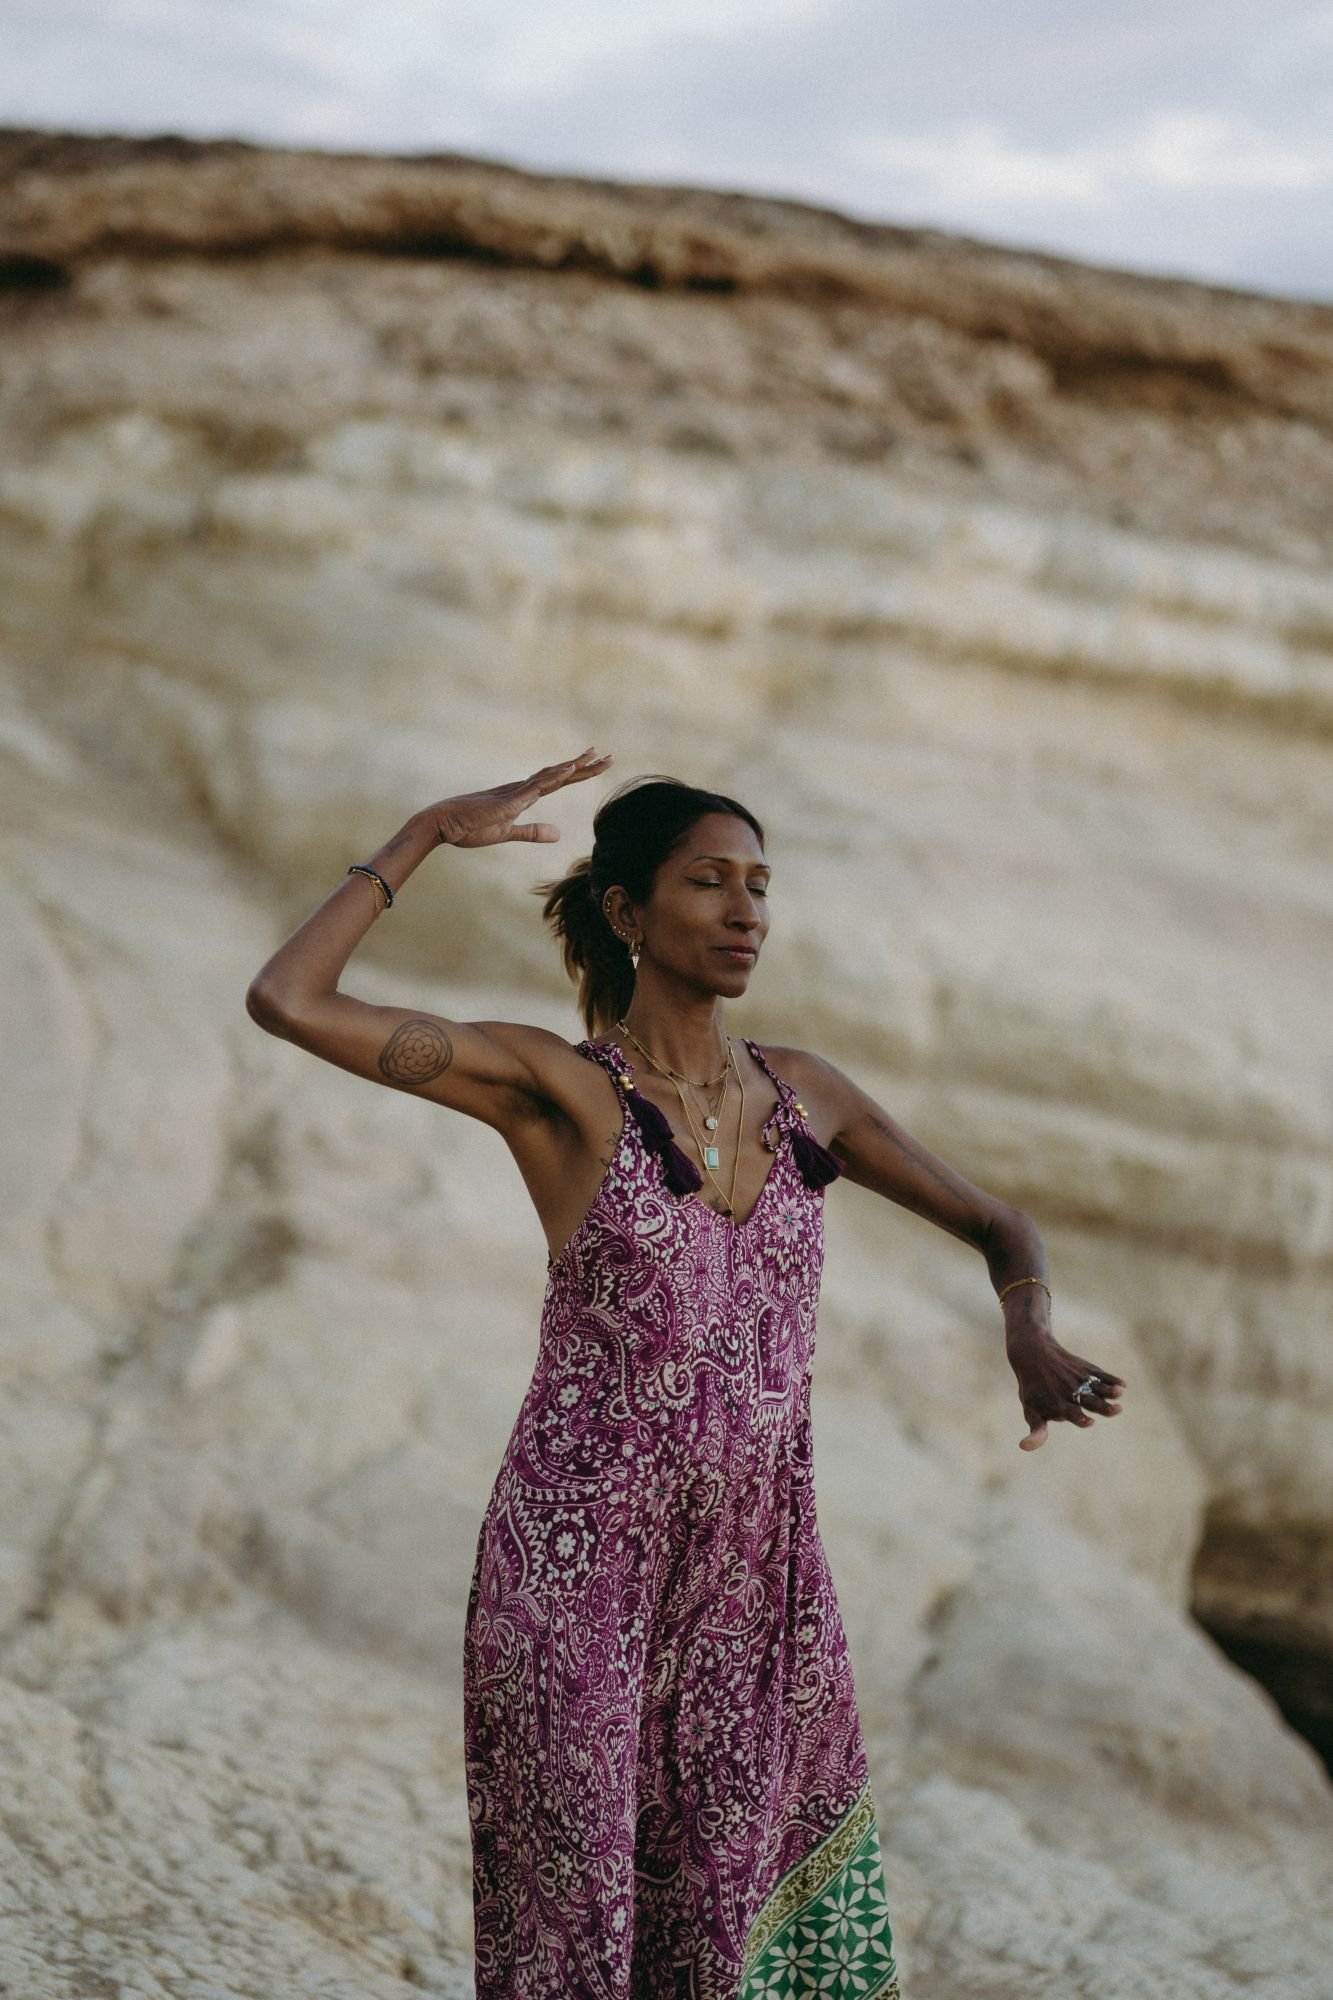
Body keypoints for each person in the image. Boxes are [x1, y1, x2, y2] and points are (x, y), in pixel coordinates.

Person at [245, 749, 1125, 1999]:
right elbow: (288, 999)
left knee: (716, 1935)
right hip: (573, 1573)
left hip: (750, 1585)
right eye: (709, 882)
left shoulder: (805, 1095)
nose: (744, 910)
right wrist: (427, 831)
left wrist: (1026, 1328)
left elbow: (1001, 1224)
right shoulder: (553, 1090)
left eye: (759, 886)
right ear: (626, 911)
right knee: (572, 1925)